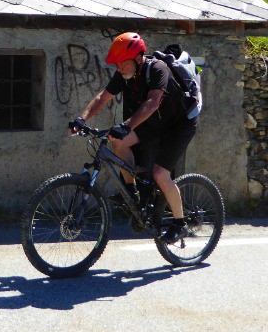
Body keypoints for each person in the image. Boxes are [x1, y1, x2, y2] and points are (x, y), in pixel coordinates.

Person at [70, 32, 198, 243]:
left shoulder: (158, 69)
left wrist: (127, 125)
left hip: (179, 125)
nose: (119, 68)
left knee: (160, 174)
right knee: (117, 140)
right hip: (155, 123)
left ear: (138, 58)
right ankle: (131, 193)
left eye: (123, 63)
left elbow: (153, 102)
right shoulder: (125, 75)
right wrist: (81, 119)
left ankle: (179, 223)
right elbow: (103, 97)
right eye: (117, 64)